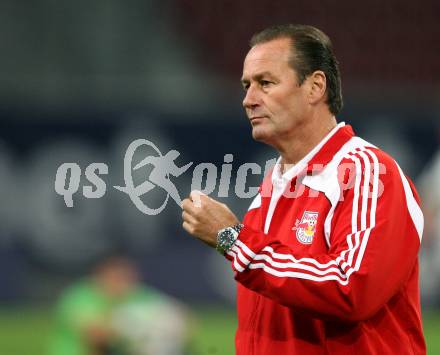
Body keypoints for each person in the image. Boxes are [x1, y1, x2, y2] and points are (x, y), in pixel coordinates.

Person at [181, 24, 425, 354]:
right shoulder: (273, 189)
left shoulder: (368, 172)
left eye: (265, 83)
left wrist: (233, 238)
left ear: (314, 87)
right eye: (246, 86)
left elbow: (351, 289)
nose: (248, 100)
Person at [48, 254, 191, 355]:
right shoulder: (81, 295)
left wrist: (166, 333)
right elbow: (96, 335)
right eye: (117, 275)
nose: (122, 281)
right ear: (102, 275)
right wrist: (137, 329)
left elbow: (180, 317)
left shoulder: (137, 294)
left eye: (126, 275)